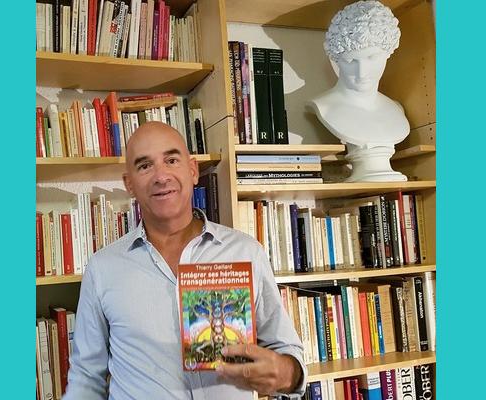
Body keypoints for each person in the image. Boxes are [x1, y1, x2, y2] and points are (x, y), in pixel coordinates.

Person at [63, 121, 306, 400]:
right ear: (129, 184)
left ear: (192, 170)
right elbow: (85, 378)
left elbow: (288, 354)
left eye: (171, 160)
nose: (161, 176)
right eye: (145, 166)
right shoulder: (102, 268)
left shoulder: (246, 252)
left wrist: (286, 374)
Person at [307, 0, 409, 182]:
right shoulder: (324, 107)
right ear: (335, 60)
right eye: (351, 61)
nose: (362, 72)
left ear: (388, 53)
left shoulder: (396, 108)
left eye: (372, 57)